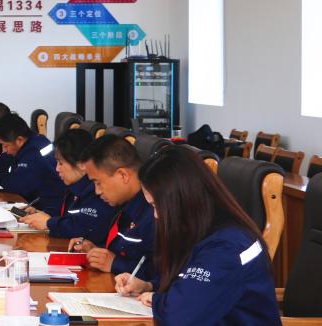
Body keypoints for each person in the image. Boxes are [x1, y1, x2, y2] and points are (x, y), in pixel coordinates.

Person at [114, 146, 281, 325]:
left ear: (180, 199)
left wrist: (157, 300)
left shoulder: (227, 247)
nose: (156, 215)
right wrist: (149, 286)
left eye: (156, 205)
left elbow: (180, 316)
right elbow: (190, 282)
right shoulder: (201, 227)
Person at [70, 135, 155, 281]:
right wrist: (97, 251)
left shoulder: (153, 212)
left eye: (98, 182)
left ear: (123, 175)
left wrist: (115, 263)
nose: (97, 191)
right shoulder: (125, 204)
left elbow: (162, 275)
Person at [20, 129, 116, 244]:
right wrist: (43, 214)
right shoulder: (73, 187)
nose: (57, 169)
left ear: (82, 164)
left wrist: (49, 222)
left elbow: (86, 229)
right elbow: (67, 216)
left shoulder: (97, 191)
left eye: (61, 163)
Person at [0, 114, 64, 214]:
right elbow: (11, 174)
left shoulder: (34, 152)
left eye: (6, 146)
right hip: (38, 205)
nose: (4, 150)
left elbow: (18, 185)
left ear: (19, 140)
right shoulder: (30, 143)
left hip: (51, 210)